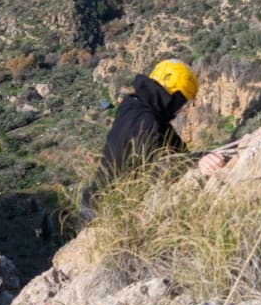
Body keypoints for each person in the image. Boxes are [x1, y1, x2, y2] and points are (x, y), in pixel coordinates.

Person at [86, 59, 225, 207]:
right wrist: (198, 162)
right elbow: (158, 169)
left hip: (96, 199)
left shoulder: (133, 104)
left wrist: (200, 156)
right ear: (175, 98)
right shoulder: (146, 121)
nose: (182, 109)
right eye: (183, 102)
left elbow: (172, 146)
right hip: (109, 207)